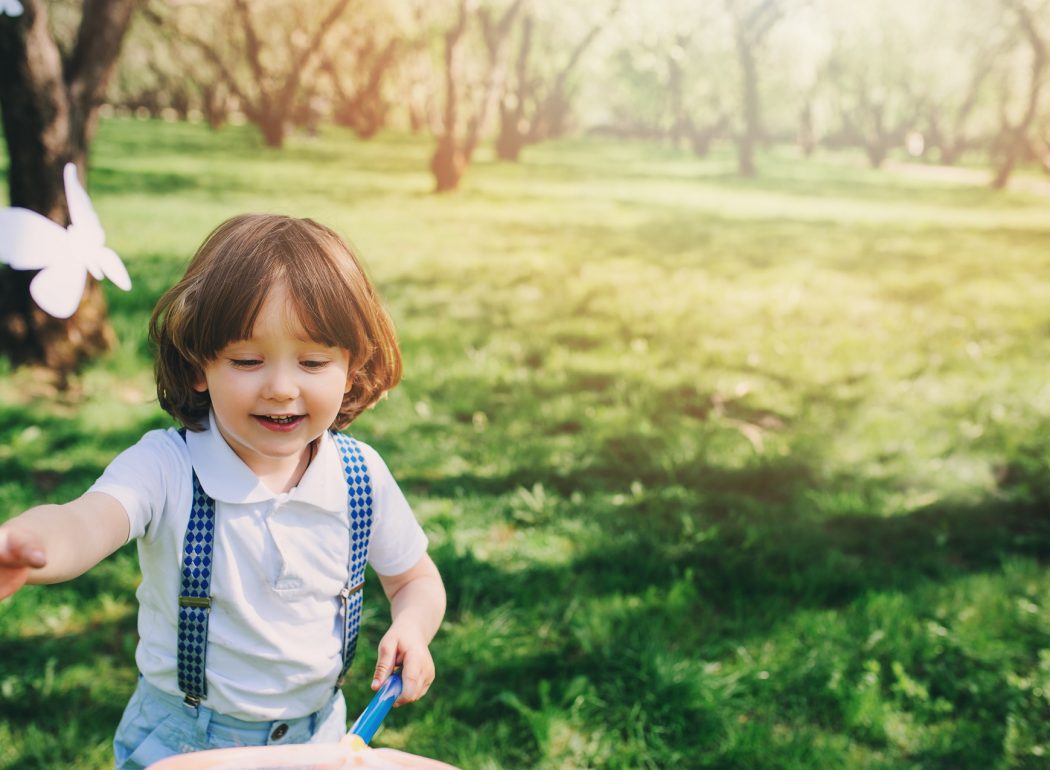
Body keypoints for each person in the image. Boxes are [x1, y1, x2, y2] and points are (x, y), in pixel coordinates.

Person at [0, 214, 446, 769]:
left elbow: (415, 579)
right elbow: (88, 520)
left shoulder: (359, 476)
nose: (281, 386)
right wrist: (28, 545)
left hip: (322, 737)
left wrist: (412, 626)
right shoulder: (166, 469)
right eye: (247, 360)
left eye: (312, 361)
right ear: (198, 368)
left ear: (351, 369)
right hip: (185, 742)